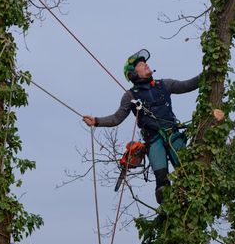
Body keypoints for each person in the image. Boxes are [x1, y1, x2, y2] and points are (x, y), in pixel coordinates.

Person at [83, 49, 200, 204]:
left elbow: (188, 85)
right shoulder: (130, 96)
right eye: (141, 64)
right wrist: (97, 121)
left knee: (190, 172)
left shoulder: (164, 85)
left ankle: (194, 203)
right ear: (132, 74)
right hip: (154, 140)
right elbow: (117, 118)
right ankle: (170, 214)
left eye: (145, 63)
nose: (145, 65)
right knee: (162, 185)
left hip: (173, 135)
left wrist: (206, 74)